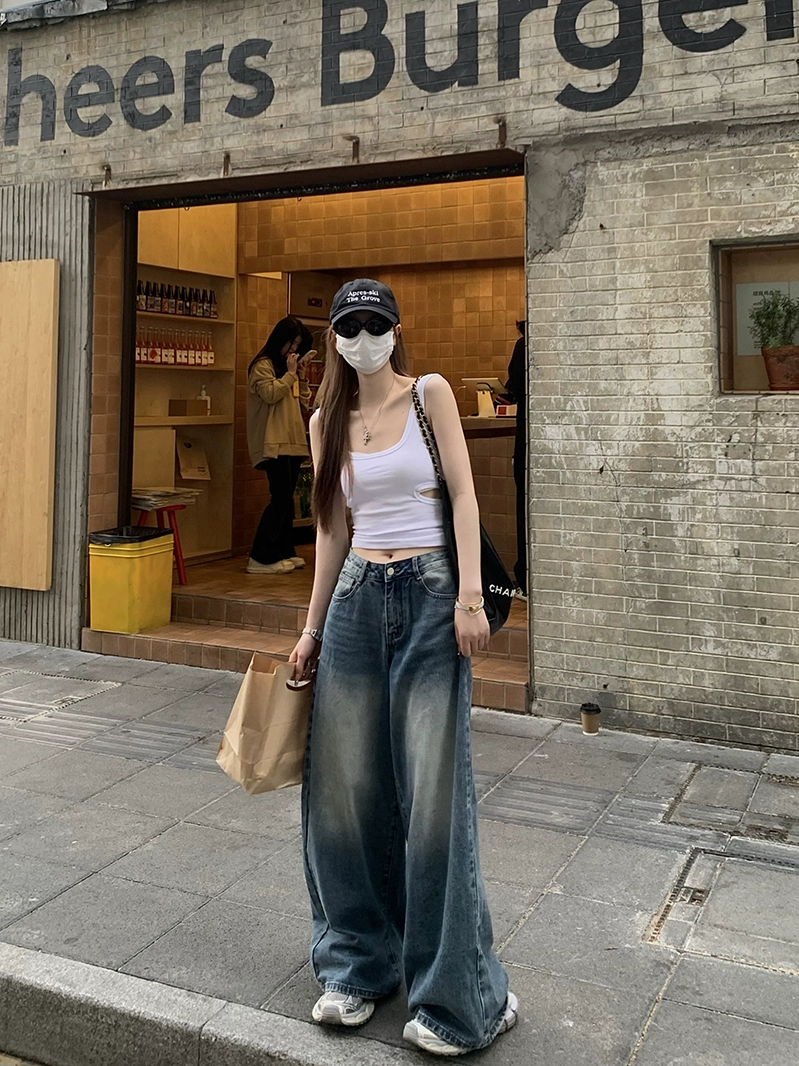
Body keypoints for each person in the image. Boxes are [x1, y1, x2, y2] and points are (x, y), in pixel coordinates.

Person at [289, 279, 518, 1055]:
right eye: (349, 327)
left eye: (374, 324)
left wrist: (467, 597)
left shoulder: (429, 393)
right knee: (342, 794)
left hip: (428, 593)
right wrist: (310, 629)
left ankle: (461, 997)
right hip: (355, 597)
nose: (363, 338)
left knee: (432, 800)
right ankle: (357, 967)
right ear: (333, 337)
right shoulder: (323, 420)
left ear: (394, 328)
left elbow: (464, 496)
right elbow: (331, 529)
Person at [246, 316, 314, 575]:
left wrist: (301, 377)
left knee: (287, 501)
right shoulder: (263, 366)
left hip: (292, 441)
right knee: (280, 498)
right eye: (291, 343)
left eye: (297, 345)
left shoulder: (288, 369)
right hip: (273, 442)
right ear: (280, 340)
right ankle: (260, 556)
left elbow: (303, 403)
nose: (293, 350)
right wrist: (290, 375)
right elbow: (271, 394)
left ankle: (285, 550)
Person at [505, 319, 527, 596]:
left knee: (524, 509)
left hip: (526, 442)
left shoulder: (524, 345)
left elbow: (514, 388)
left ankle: (525, 579)